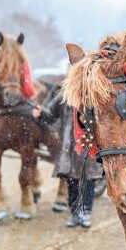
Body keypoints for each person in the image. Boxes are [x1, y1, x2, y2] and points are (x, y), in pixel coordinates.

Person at [33, 86, 102, 228]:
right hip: (69, 147)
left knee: (88, 182)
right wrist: (41, 113)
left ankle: (86, 213)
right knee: (72, 183)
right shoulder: (65, 93)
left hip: (89, 146)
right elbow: (51, 115)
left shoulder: (96, 92)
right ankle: (75, 214)